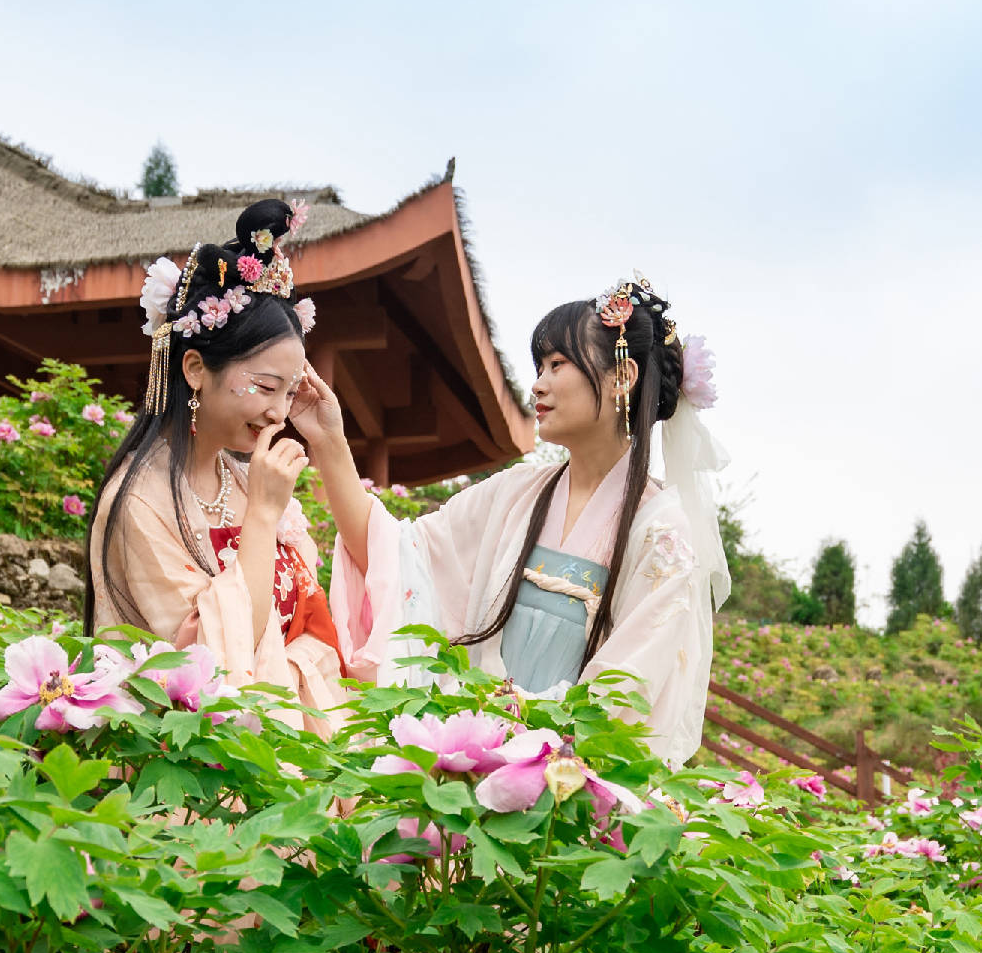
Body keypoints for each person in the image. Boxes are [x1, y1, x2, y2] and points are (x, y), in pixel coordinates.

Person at [299, 276, 727, 764]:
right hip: (471, 763)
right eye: (539, 366)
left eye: (557, 364)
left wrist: (517, 733)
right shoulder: (516, 493)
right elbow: (394, 556)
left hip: (569, 788)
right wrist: (330, 439)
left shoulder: (662, 533)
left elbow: (626, 695)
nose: (538, 384)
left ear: (622, 377)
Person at [85, 198, 370, 730]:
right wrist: (262, 515)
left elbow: (308, 618)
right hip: (202, 772)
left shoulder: (239, 479)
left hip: (293, 736)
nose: (279, 413)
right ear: (195, 368)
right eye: (264, 387)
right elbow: (207, 666)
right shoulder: (141, 500)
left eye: (289, 391)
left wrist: (328, 439)